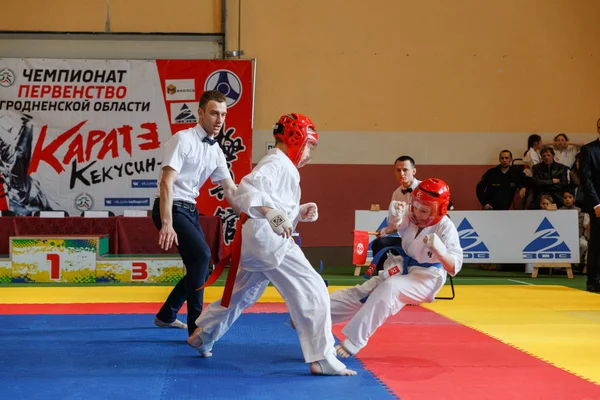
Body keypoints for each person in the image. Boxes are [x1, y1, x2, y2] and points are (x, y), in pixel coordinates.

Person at [187, 113, 356, 376]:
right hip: (268, 241)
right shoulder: (277, 163)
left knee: (243, 293)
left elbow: (275, 205)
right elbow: (247, 189)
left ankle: (204, 333)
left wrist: (298, 212)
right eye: (310, 145)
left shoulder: (282, 165)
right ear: (296, 138)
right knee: (313, 289)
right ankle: (321, 356)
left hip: (257, 240)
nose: (310, 152)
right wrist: (270, 213)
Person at [329, 178, 463, 358]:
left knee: (390, 288)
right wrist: (395, 217)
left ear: (439, 210)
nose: (417, 213)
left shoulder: (446, 228)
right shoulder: (413, 213)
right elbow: (394, 227)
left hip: (427, 277)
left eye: (424, 210)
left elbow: (454, 267)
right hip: (404, 265)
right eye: (415, 206)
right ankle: (314, 314)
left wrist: (440, 250)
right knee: (367, 291)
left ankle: (354, 341)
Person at [152, 90, 239, 336]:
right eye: (214, 113)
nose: (219, 119)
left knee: (202, 267)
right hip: (169, 207)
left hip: (189, 209)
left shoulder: (216, 150)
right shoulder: (183, 139)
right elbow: (167, 183)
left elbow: (231, 190)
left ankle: (167, 315)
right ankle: (196, 329)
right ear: (200, 113)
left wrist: (252, 215)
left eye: (223, 114)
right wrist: (167, 224)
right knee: (201, 256)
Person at [371, 156, 420, 271]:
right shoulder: (396, 194)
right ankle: (380, 277)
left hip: (422, 240)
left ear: (414, 171)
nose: (401, 173)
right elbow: (396, 225)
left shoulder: (424, 188)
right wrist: (386, 230)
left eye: (405, 170)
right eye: (398, 170)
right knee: (378, 243)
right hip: (404, 241)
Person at [579, 118, 600, 293]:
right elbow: (586, 180)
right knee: (597, 243)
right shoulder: (589, 150)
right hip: (598, 204)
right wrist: (597, 204)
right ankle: (593, 281)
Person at [560, 189, 589, 269]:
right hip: (564, 237)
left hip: (578, 236)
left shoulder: (580, 211)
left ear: (574, 199)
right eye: (565, 198)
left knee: (584, 244)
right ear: (563, 200)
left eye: (570, 197)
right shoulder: (559, 211)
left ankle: (575, 262)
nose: (568, 199)